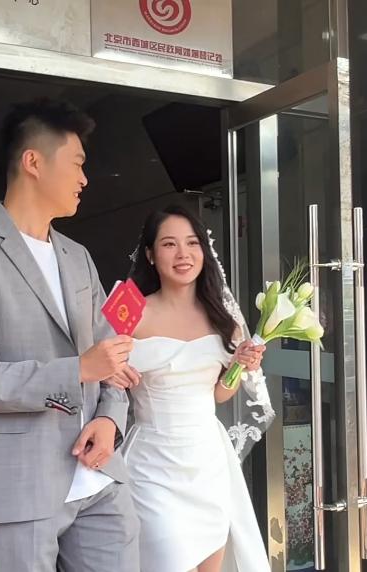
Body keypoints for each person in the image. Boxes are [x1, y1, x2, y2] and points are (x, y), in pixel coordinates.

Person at [0, 98, 140, 571]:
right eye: (78, 163)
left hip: (98, 477)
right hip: (15, 484)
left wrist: (111, 419)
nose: (85, 179)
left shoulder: (77, 256)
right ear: (33, 162)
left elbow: (111, 358)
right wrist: (77, 370)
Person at [115, 204, 272, 572]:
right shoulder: (128, 308)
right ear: (150, 254)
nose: (182, 254)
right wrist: (113, 375)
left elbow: (218, 394)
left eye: (192, 243)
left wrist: (239, 367)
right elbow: (100, 371)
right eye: (169, 244)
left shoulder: (223, 317)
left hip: (207, 462)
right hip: (152, 465)